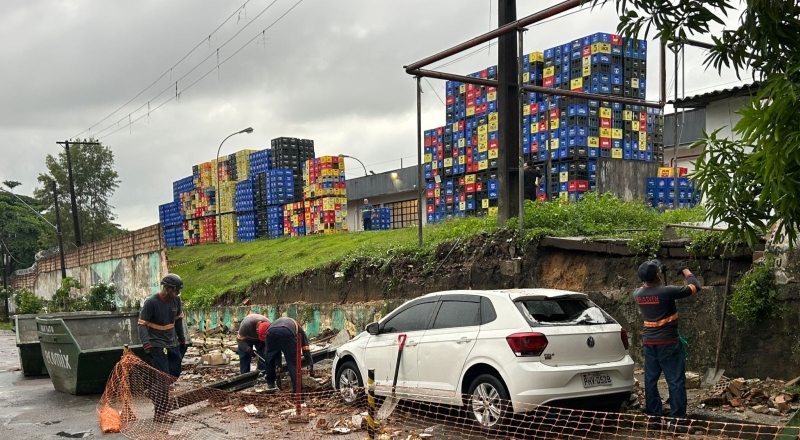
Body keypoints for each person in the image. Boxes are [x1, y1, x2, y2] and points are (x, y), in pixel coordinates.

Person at [633, 260, 701, 432]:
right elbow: (694, 287)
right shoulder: (667, 292)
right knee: (676, 382)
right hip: (669, 344)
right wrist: (685, 270)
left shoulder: (637, 294)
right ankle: (678, 422)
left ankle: (654, 419)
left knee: (650, 381)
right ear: (658, 274)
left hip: (649, 344)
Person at [137, 273, 187, 423]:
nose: (177, 293)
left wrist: (182, 339)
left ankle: (153, 391)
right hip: (157, 344)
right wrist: (147, 343)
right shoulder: (151, 302)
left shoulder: (176, 301)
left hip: (172, 343)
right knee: (164, 378)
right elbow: (142, 325)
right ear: (166, 288)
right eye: (175, 290)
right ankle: (160, 414)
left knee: (175, 374)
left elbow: (178, 321)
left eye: (178, 291)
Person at [263, 317, 314, 392]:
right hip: (287, 333)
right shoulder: (299, 328)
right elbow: (305, 348)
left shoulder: (275, 322)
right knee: (293, 364)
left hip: (271, 332)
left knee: (269, 358)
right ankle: (297, 391)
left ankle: (270, 383)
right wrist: (310, 362)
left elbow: (271, 351)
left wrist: (278, 364)